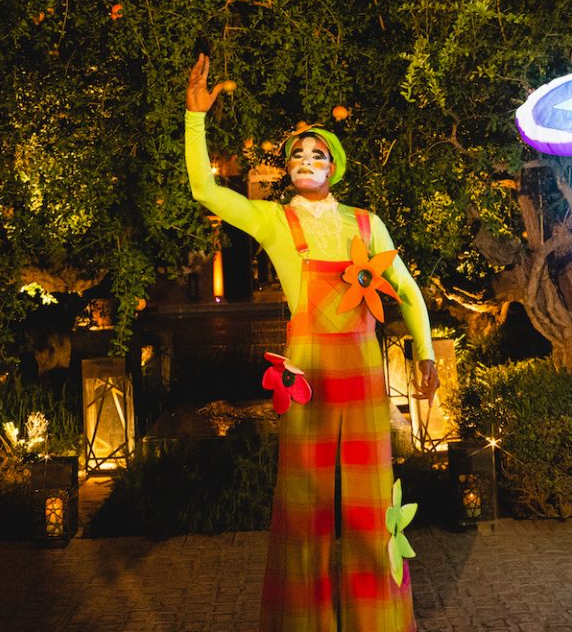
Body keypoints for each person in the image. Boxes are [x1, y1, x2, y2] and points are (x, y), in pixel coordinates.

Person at [185, 54, 439, 632]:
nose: (304, 159)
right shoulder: (275, 220)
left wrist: (425, 352)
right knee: (307, 505)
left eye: (316, 153)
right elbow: (204, 188)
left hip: (364, 372)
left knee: (372, 502)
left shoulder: (367, 224)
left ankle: (376, 619)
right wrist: (195, 119)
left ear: (335, 166)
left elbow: (406, 290)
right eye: (296, 154)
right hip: (308, 376)